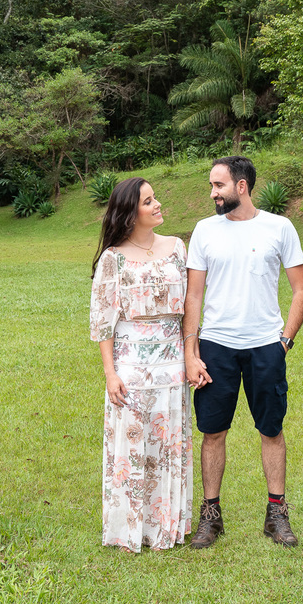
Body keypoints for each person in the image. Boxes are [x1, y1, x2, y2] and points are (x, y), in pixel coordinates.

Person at [184, 156, 303, 548]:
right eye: (211, 185)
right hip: (216, 346)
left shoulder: (279, 228)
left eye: (218, 185)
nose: (212, 193)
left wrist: (284, 341)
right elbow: (193, 297)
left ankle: (277, 515)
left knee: (271, 429)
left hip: (265, 348)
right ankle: (210, 517)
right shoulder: (205, 231)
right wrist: (192, 351)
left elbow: (301, 290)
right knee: (212, 431)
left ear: (241, 186)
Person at [89, 177, 193, 552]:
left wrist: (192, 355)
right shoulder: (113, 258)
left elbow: (191, 308)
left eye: (155, 198)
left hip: (172, 365)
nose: (158, 205)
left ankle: (166, 528)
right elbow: (102, 320)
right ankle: (129, 529)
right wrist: (110, 373)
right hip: (130, 367)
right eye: (149, 202)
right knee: (131, 448)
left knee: (168, 448)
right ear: (131, 214)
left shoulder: (178, 248)